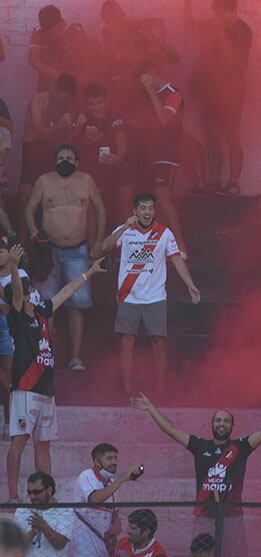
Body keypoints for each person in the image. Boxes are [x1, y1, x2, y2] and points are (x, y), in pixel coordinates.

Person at [3, 239, 107, 501]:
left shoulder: (42, 310)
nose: (29, 291)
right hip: (25, 387)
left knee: (43, 444)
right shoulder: (17, 315)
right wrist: (14, 268)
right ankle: (13, 495)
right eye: (26, 289)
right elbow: (15, 292)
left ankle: (47, 494)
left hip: (47, 389)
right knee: (19, 440)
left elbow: (66, 291)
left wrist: (90, 272)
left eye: (29, 288)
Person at [133, 393, 261, 556]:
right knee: (201, 554)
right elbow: (171, 430)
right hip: (204, 516)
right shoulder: (200, 446)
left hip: (231, 517)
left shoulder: (240, 447)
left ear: (232, 427)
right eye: (218, 420)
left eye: (226, 421)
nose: (222, 424)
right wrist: (150, 408)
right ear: (212, 424)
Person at [101, 193, 201, 397]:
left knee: (158, 341)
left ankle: (160, 389)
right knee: (127, 341)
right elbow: (105, 247)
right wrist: (124, 227)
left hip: (155, 297)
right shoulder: (125, 231)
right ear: (135, 211)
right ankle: (127, 390)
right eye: (143, 208)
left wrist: (190, 284)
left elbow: (176, 260)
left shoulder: (164, 233)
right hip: (128, 296)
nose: (147, 212)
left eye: (150, 208)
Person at [24, 144, 107, 371]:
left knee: (76, 305)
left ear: (77, 161)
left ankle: (76, 356)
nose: (65, 160)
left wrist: (99, 240)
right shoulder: (43, 181)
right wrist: (32, 230)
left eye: (69, 157)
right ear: (55, 161)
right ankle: (46, 354)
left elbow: (100, 209)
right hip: (48, 251)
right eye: (61, 157)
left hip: (77, 251)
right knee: (45, 304)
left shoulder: (87, 180)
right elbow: (29, 209)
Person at [185, 0, 252, 197]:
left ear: (232, 10)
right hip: (211, 89)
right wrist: (186, 3)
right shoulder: (215, 26)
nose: (217, 17)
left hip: (232, 90)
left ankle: (233, 182)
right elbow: (189, 28)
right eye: (216, 13)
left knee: (231, 135)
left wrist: (220, 33)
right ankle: (214, 181)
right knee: (212, 137)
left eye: (221, 13)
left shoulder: (243, 30)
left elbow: (232, 59)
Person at [125, 61, 188, 258]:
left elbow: (164, 121)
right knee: (151, 201)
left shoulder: (173, 93)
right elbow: (145, 125)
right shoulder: (146, 97)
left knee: (162, 196)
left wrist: (152, 92)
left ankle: (180, 245)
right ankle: (161, 245)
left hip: (167, 154)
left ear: (151, 75)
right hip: (150, 154)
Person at [19, 75, 83, 239]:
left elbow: (66, 140)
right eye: (62, 97)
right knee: (26, 197)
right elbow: (38, 132)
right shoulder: (38, 100)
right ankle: (21, 246)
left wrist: (77, 127)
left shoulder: (69, 107)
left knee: (55, 198)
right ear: (54, 88)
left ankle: (53, 246)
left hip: (54, 152)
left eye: (67, 99)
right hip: (34, 151)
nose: (63, 102)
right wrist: (61, 124)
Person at [72, 443, 144, 557]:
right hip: (84, 542)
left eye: (116, 458)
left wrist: (116, 525)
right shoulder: (86, 476)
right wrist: (122, 480)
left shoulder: (111, 483)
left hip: (103, 543)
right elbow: (95, 499)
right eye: (109, 458)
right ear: (97, 462)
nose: (114, 462)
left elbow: (114, 513)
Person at [100, 0, 179, 96]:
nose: (112, 24)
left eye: (115, 18)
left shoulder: (142, 32)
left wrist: (155, 41)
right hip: (129, 97)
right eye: (108, 21)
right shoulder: (110, 39)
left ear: (123, 15)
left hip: (152, 95)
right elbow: (109, 70)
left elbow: (174, 58)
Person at [78, 83, 131, 224]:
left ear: (107, 101)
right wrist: (87, 140)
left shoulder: (117, 117)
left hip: (119, 167)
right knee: (90, 201)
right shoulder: (83, 121)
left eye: (99, 102)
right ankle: (94, 244)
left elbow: (122, 143)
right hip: (96, 170)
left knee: (125, 196)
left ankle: (124, 241)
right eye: (91, 103)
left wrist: (117, 158)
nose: (96, 107)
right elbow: (76, 149)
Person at [28, 6, 101, 91]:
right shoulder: (38, 32)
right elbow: (33, 59)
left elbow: (87, 62)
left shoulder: (76, 32)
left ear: (61, 22)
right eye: (48, 33)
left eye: (54, 31)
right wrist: (54, 73)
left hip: (71, 86)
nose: (52, 35)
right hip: (47, 88)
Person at [14, 472, 74, 555]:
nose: (32, 496)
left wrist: (43, 526)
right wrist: (33, 531)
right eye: (29, 492)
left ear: (49, 490)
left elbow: (60, 544)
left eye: (36, 492)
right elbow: (16, 547)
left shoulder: (65, 511)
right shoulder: (22, 510)